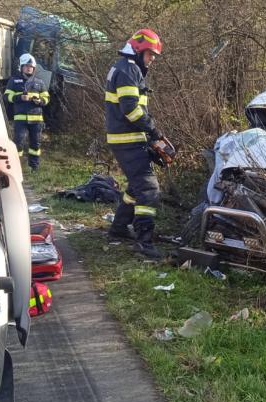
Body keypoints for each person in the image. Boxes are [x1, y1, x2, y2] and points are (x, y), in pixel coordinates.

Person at [104, 29, 167, 259]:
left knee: (135, 186)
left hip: (126, 138)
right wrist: (153, 130)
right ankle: (144, 242)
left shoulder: (125, 67)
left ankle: (119, 228)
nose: (151, 60)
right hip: (127, 140)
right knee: (149, 189)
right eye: (150, 54)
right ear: (139, 50)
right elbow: (130, 109)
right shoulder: (128, 69)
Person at [4, 53, 50, 171]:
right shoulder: (14, 81)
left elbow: (47, 98)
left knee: (35, 145)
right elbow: (7, 96)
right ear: (21, 67)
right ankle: (16, 167)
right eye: (27, 66)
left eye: (31, 67)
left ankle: (34, 167)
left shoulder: (39, 82)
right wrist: (19, 98)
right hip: (20, 119)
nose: (29, 68)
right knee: (18, 143)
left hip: (36, 120)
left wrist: (40, 101)